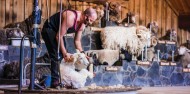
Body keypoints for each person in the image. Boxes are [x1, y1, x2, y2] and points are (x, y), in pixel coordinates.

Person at [41, 8, 97, 88]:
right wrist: (64, 53)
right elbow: (59, 36)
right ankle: (55, 82)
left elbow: (77, 41)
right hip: (49, 29)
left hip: (58, 32)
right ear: (86, 16)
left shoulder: (82, 25)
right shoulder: (70, 17)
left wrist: (83, 55)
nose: (91, 23)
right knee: (56, 54)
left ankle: (61, 79)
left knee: (63, 52)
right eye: (91, 20)